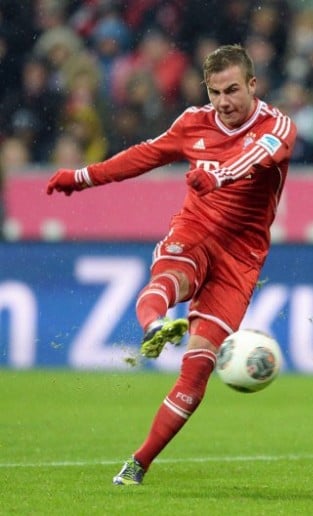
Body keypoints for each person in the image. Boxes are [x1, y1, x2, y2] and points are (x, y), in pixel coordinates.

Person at [45, 44, 297, 485]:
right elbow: (142, 156)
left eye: (233, 89)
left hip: (242, 257)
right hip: (196, 230)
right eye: (216, 92)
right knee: (171, 277)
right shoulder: (192, 123)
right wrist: (81, 177)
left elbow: (259, 155)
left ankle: (138, 464)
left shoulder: (278, 125)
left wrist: (217, 174)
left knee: (198, 367)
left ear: (253, 85)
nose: (224, 101)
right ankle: (152, 328)